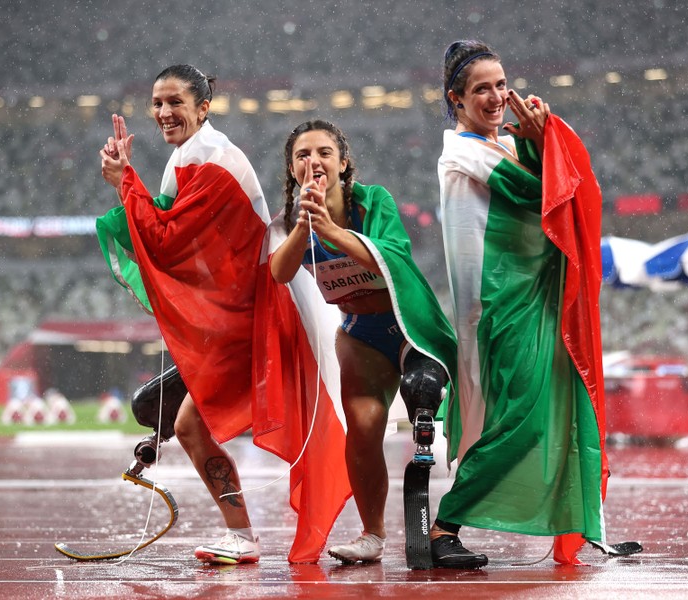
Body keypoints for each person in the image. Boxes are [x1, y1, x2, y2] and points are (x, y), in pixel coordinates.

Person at [96, 66, 350, 565]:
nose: (165, 112)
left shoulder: (213, 160)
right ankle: (245, 534)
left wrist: (124, 180)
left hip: (250, 316)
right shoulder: (185, 159)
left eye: (176, 102)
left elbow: (165, 242)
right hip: (235, 316)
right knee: (192, 425)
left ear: (203, 107)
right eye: (157, 103)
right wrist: (125, 184)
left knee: (193, 425)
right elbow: (161, 231)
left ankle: (250, 533)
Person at [433, 40, 612, 567]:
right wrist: (543, 141)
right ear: (456, 99)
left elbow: (550, 193)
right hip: (498, 308)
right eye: (481, 89)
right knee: (524, 421)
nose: (496, 97)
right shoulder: (462, 151)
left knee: (544, 412)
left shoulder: (505, 146)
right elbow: (544, 199)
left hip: (533, 300)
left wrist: (536, 142)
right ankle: (443, 525)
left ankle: (569, 522)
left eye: (501, 85)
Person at [268, 120, 458, 565]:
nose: (313, 161)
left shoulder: (374, 201)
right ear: (292, 168)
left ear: (342, 162)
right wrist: (304, 224)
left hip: (411, 327)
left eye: (323, 152)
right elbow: (278, 272)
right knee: (364, 428)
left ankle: (448, 520)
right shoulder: (289, 222)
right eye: (302, 155)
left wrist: (331, 232)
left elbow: (391, 252)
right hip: (360, 333)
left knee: (425, 394)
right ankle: (373, 535)